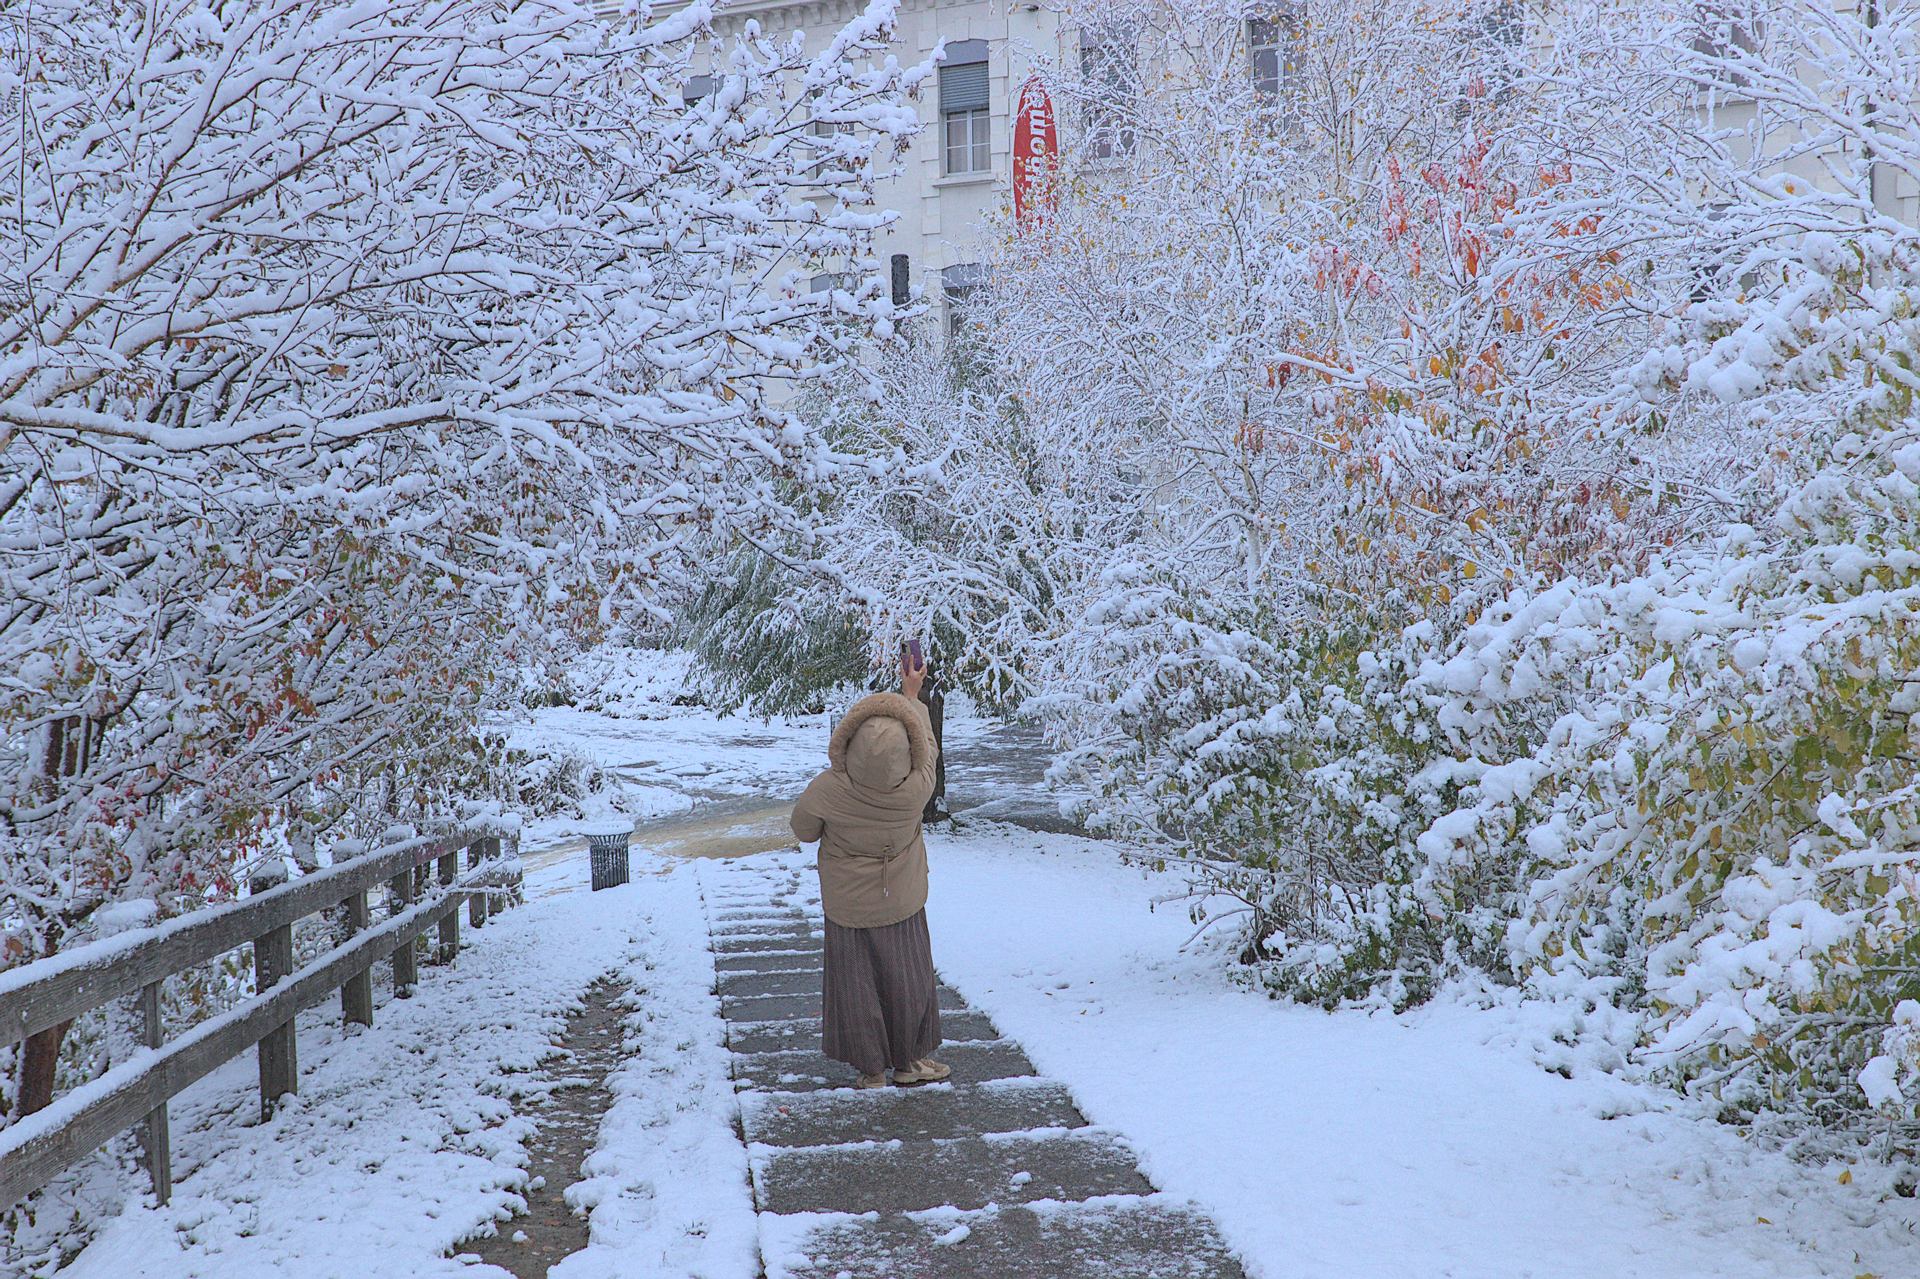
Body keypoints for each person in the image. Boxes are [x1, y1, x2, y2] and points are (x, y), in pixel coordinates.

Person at [790, 649, 950, 1089]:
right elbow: (928, 746)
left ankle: (871, 1070)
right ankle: (910, 1062)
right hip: (901, 898)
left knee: (855, 982)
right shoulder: (917, 788)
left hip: (847, 906)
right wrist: (910, 693)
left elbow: (802, 830)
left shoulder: (827, 790)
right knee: (908, 977)